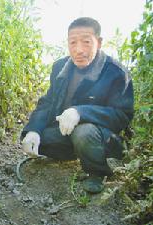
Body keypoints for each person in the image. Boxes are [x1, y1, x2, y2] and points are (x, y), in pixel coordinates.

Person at [21, 17, 134, 194]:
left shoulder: (116, 72)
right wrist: (33, 130)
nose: (78, 50)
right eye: (73, 42)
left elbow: (122, 116)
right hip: (68, 133)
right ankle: (79, 154)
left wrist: (80, 112)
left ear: (99, 42)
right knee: (35, 140)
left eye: (86, 42)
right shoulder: (60, 67)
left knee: (84, 132)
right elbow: (49, 101)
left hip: (102, 138)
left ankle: (97, 172)